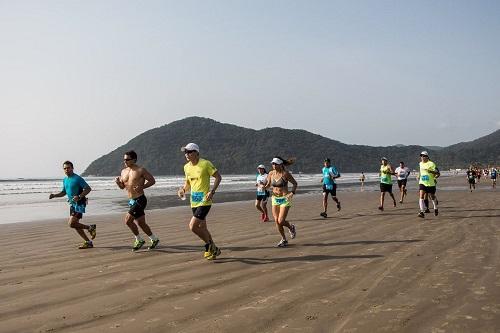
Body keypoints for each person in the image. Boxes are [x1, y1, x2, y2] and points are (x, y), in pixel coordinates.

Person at [178, 143, 222, 260]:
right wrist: (183, 190)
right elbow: (188, 183)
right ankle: (212, 250)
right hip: (194, 201)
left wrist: (212, 191)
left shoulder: (205, 164)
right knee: (203, 228)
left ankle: (210, 246)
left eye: (189, 151)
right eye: (185, 152)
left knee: (193, 226)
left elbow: (218, 177)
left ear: (197, 153)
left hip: (205, 201)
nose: (186, 154)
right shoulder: (186, 167)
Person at [115, 150, 159, 251]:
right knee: (141, 223)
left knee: (128, 220)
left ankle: (138, 239)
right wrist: (118, 183)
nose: (125, 161)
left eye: (127, 159)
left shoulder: (140, 170)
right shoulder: (123, 171)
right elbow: (122, 187)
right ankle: (154, 239)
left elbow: (152, 180)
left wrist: (142, 187)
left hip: (140, 199)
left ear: (134, 160)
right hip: (131, 200)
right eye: (124, 159)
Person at [49, 161, 96, 249]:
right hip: (73, 204)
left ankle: (90, 228)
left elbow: (88, 189)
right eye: (65, 168)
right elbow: (64, 192)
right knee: (75, 225)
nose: (67, 170)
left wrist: (79, 196)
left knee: (71, 224)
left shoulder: (77, 178)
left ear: (72, 168)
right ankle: (88, 242)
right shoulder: (65, 179)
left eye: (68, 168)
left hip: (80, 203)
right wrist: (54, 195)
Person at [264, 156, 298, 247]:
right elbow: (268, 185)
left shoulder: (285, 174)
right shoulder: (271, 173)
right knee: (276, 221)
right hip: (275, 199)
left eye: (275, 164)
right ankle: (284, 239)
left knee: (281, 220)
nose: (273, 165)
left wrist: (292, 193)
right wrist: (263, 187)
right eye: (272, 163)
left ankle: (291, 227)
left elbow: (295, 184)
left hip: (285, 198)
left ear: (280, 164)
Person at [417, 151, 440, 218]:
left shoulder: (431, 164)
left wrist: (431, 171)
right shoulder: (420, 163)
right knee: (421, 196)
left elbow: (438, 173)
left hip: (431, 183)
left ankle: (435, 208)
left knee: (432, 196)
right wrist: (418, 175)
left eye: (423, 156)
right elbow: (421, 170)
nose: (422, 157)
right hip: (422, 183)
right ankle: (421, 212)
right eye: (421, 156)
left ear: (427, 157)